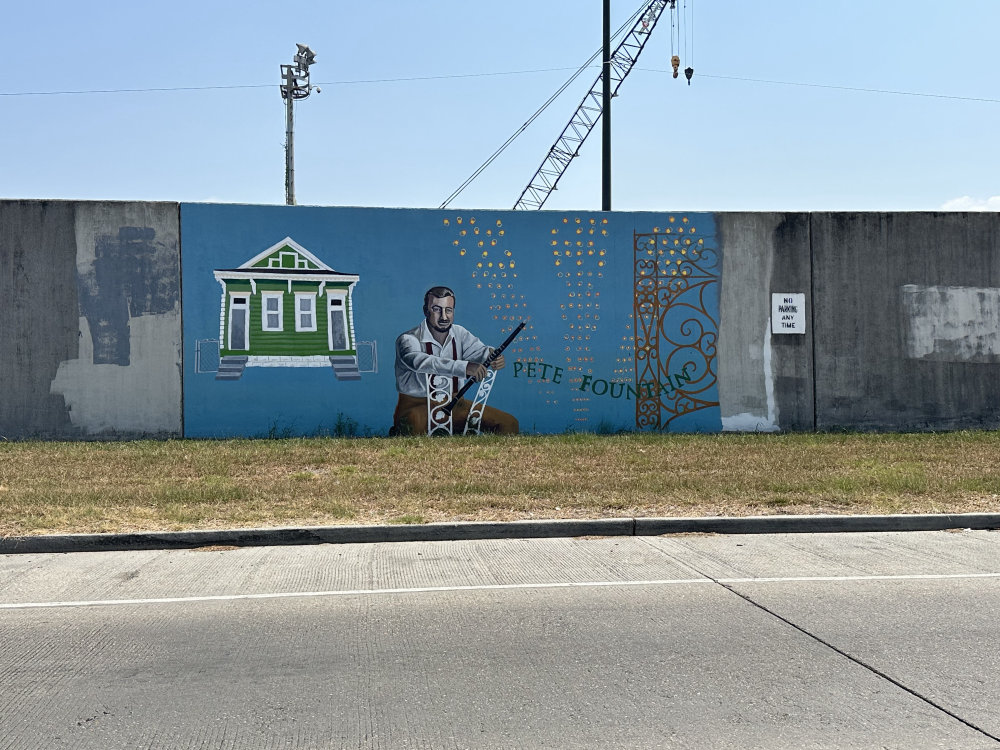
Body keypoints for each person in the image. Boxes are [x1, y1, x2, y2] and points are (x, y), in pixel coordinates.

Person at [393, 286, 519, 435]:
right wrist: (464, 368)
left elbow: (480, 351)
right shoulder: (408, 339)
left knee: (508, 423)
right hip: (417, 407)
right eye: (436, 309)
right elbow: (419, 362)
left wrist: (493, 355)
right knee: (415, 434)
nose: (444, 317)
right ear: (426, 311)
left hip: (456, 406)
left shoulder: (459, 333)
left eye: (448, 310)